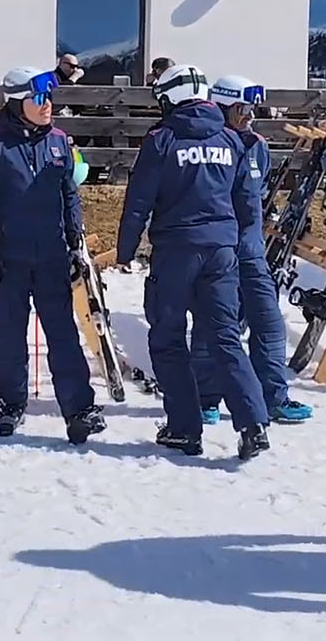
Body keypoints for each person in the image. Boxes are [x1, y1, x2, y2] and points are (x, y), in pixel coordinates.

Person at [116, 63, 270, 460]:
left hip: (176, 252)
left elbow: (138, 202)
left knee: (168, 338)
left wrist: (125, 251)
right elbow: (248, 201)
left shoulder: (161, 140)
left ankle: (184, 429)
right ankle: (253, 424)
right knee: (225, 337)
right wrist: (238, 243)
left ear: (170, 98)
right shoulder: (231, 140)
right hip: (222, 252)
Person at [0, 67, 106, 443]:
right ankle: (11, 403)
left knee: (63, 333)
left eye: (49, 98)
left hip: (51, 256)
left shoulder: (58, 141)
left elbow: (69, 194)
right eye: (38, 99)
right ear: (15, 103)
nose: (47, 106)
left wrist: (75, 240)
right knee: (10, 335)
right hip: (7, 257)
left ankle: (79, 409)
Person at [192, 76, 312, 426]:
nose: (250, 115)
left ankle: (274, 397)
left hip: (252, 250)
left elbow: (257, 193)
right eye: (243, 109)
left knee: (269, 324)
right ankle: (206, 398)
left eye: (253, 109)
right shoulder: (209, 145)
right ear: (223, 106)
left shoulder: (257, 145)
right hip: (220, 251)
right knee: (214, 325)